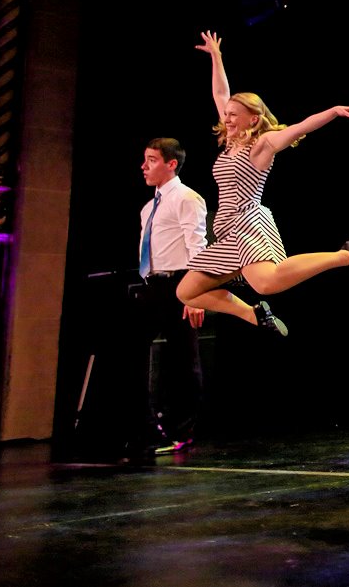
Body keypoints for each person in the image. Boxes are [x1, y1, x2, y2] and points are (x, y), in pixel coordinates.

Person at [176, 31, 349, 329]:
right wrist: (216, 56)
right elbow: (220, 93)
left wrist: (332, 112)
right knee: (186, 292)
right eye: (227, 114)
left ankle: (342, 256)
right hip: (226, 227)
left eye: (234, 115)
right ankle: (253, 315)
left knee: (267, 283)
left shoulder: (262, 145)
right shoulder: (231, 141)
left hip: (247, 221)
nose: (227, 118)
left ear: (253, 118)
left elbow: (300, 127)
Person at [122, 137, 208, 462]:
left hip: (180, 283)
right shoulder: (149, 207)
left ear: (171, 164)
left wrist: (195, 294)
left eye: (152, 160)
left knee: (183, 359)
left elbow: (197, 247)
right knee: (129, 349)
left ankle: (181, 431)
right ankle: (145, 426)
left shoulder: (187, 198)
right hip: (153, 285)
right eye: (145, 159)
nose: (144, 166)